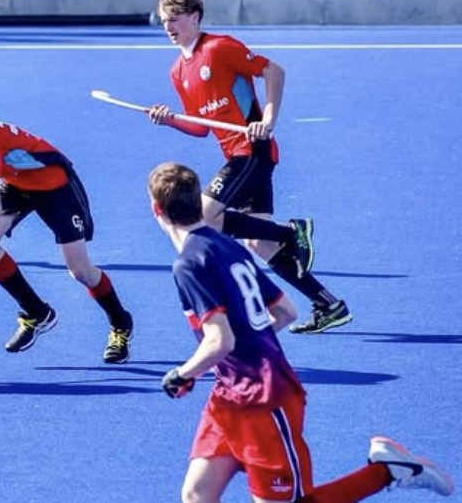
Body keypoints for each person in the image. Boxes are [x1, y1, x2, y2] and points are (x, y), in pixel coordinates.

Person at [147, 161, 454, 503]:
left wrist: (182, 374)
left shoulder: (189, 263)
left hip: (265, 400)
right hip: (229, 398)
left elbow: (220, 340)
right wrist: (248, 344)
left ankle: (387, 471)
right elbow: (285, 312)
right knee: (197, 494)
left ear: (157, 209)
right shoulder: (229, 246)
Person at [149, 0, 349, 335]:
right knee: (260, 243)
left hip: (252, 150)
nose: (169, 26)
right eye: (164, 20)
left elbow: (275, 72)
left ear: (195, 17)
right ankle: (328, 304)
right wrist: (170, 120)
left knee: (202, 216)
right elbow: (201, 128)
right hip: (235, 154)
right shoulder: (177, 71)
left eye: (175, 18)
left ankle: (292, 231)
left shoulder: (219, 48)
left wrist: (267, 119)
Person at [0, 90, 135, 362]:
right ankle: (37, 312)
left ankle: (121, 323)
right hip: (18, 182)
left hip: (54, 184)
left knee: (80, 270)